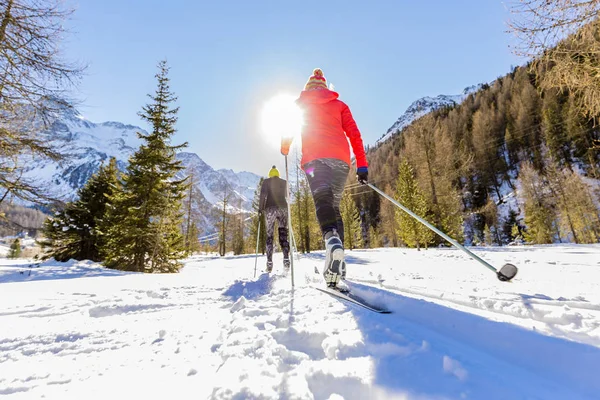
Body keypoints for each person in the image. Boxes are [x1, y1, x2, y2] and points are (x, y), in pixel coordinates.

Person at [281, 68, 368, 288]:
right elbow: (355, 134)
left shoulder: (300, 104)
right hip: (340, 160)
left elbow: (288, 129)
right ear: (324, 87)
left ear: (308, 87)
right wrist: (362, 165)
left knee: (322, 200)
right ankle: (338, 262)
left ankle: (331, 240)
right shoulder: (339, 105)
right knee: (334, 206)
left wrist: (284, 147)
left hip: (314, 160)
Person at [259, 166, 290, 272]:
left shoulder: (266, 182)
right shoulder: (284, 182)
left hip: (270, 209)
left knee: (269, 235)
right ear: (277, 174)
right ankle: (286, 258)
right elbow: (288, 195)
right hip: (283, 209)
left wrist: (260, 209)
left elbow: (263, 195)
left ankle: (269, 262)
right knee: (283, 234)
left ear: (270, 174)